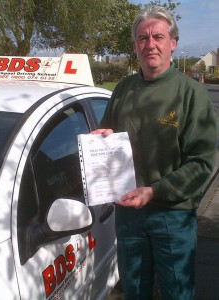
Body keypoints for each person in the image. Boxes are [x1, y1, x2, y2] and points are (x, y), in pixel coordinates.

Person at [91, 5, 217, 300]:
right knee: (135, 291)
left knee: (177, 292)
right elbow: (105, 135)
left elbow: (200, 164)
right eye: (143, 38)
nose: (150, 44)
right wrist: (103, 139)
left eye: (158, 37)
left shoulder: (191, 93)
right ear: (135, 46)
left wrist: (154, 191)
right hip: (129, 215)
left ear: (172, 43)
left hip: (172, 216)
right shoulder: (123, 89)